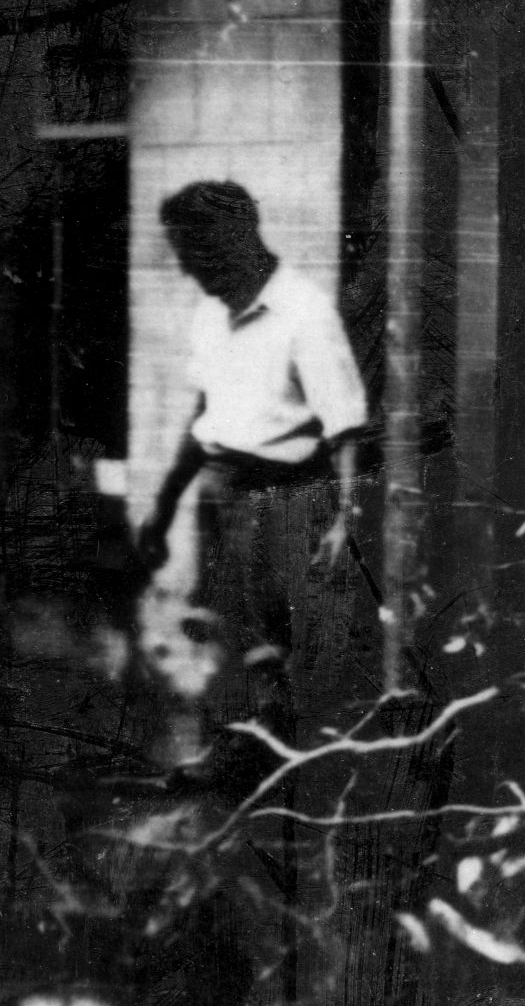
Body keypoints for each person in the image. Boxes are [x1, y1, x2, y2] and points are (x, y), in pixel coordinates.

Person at [136, 182, 370, 775]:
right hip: (225, 493)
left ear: (236, 241)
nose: (190, 272)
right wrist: (164, 508)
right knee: (227, 637)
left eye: (197, 256)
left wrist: (344, 521)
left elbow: (345, 429)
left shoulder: (305, 313)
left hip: (293, 498)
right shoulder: (211, 315)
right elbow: (204, 416)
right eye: (184, 258)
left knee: (300, 647)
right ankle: (237, 761)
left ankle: (301, 776)